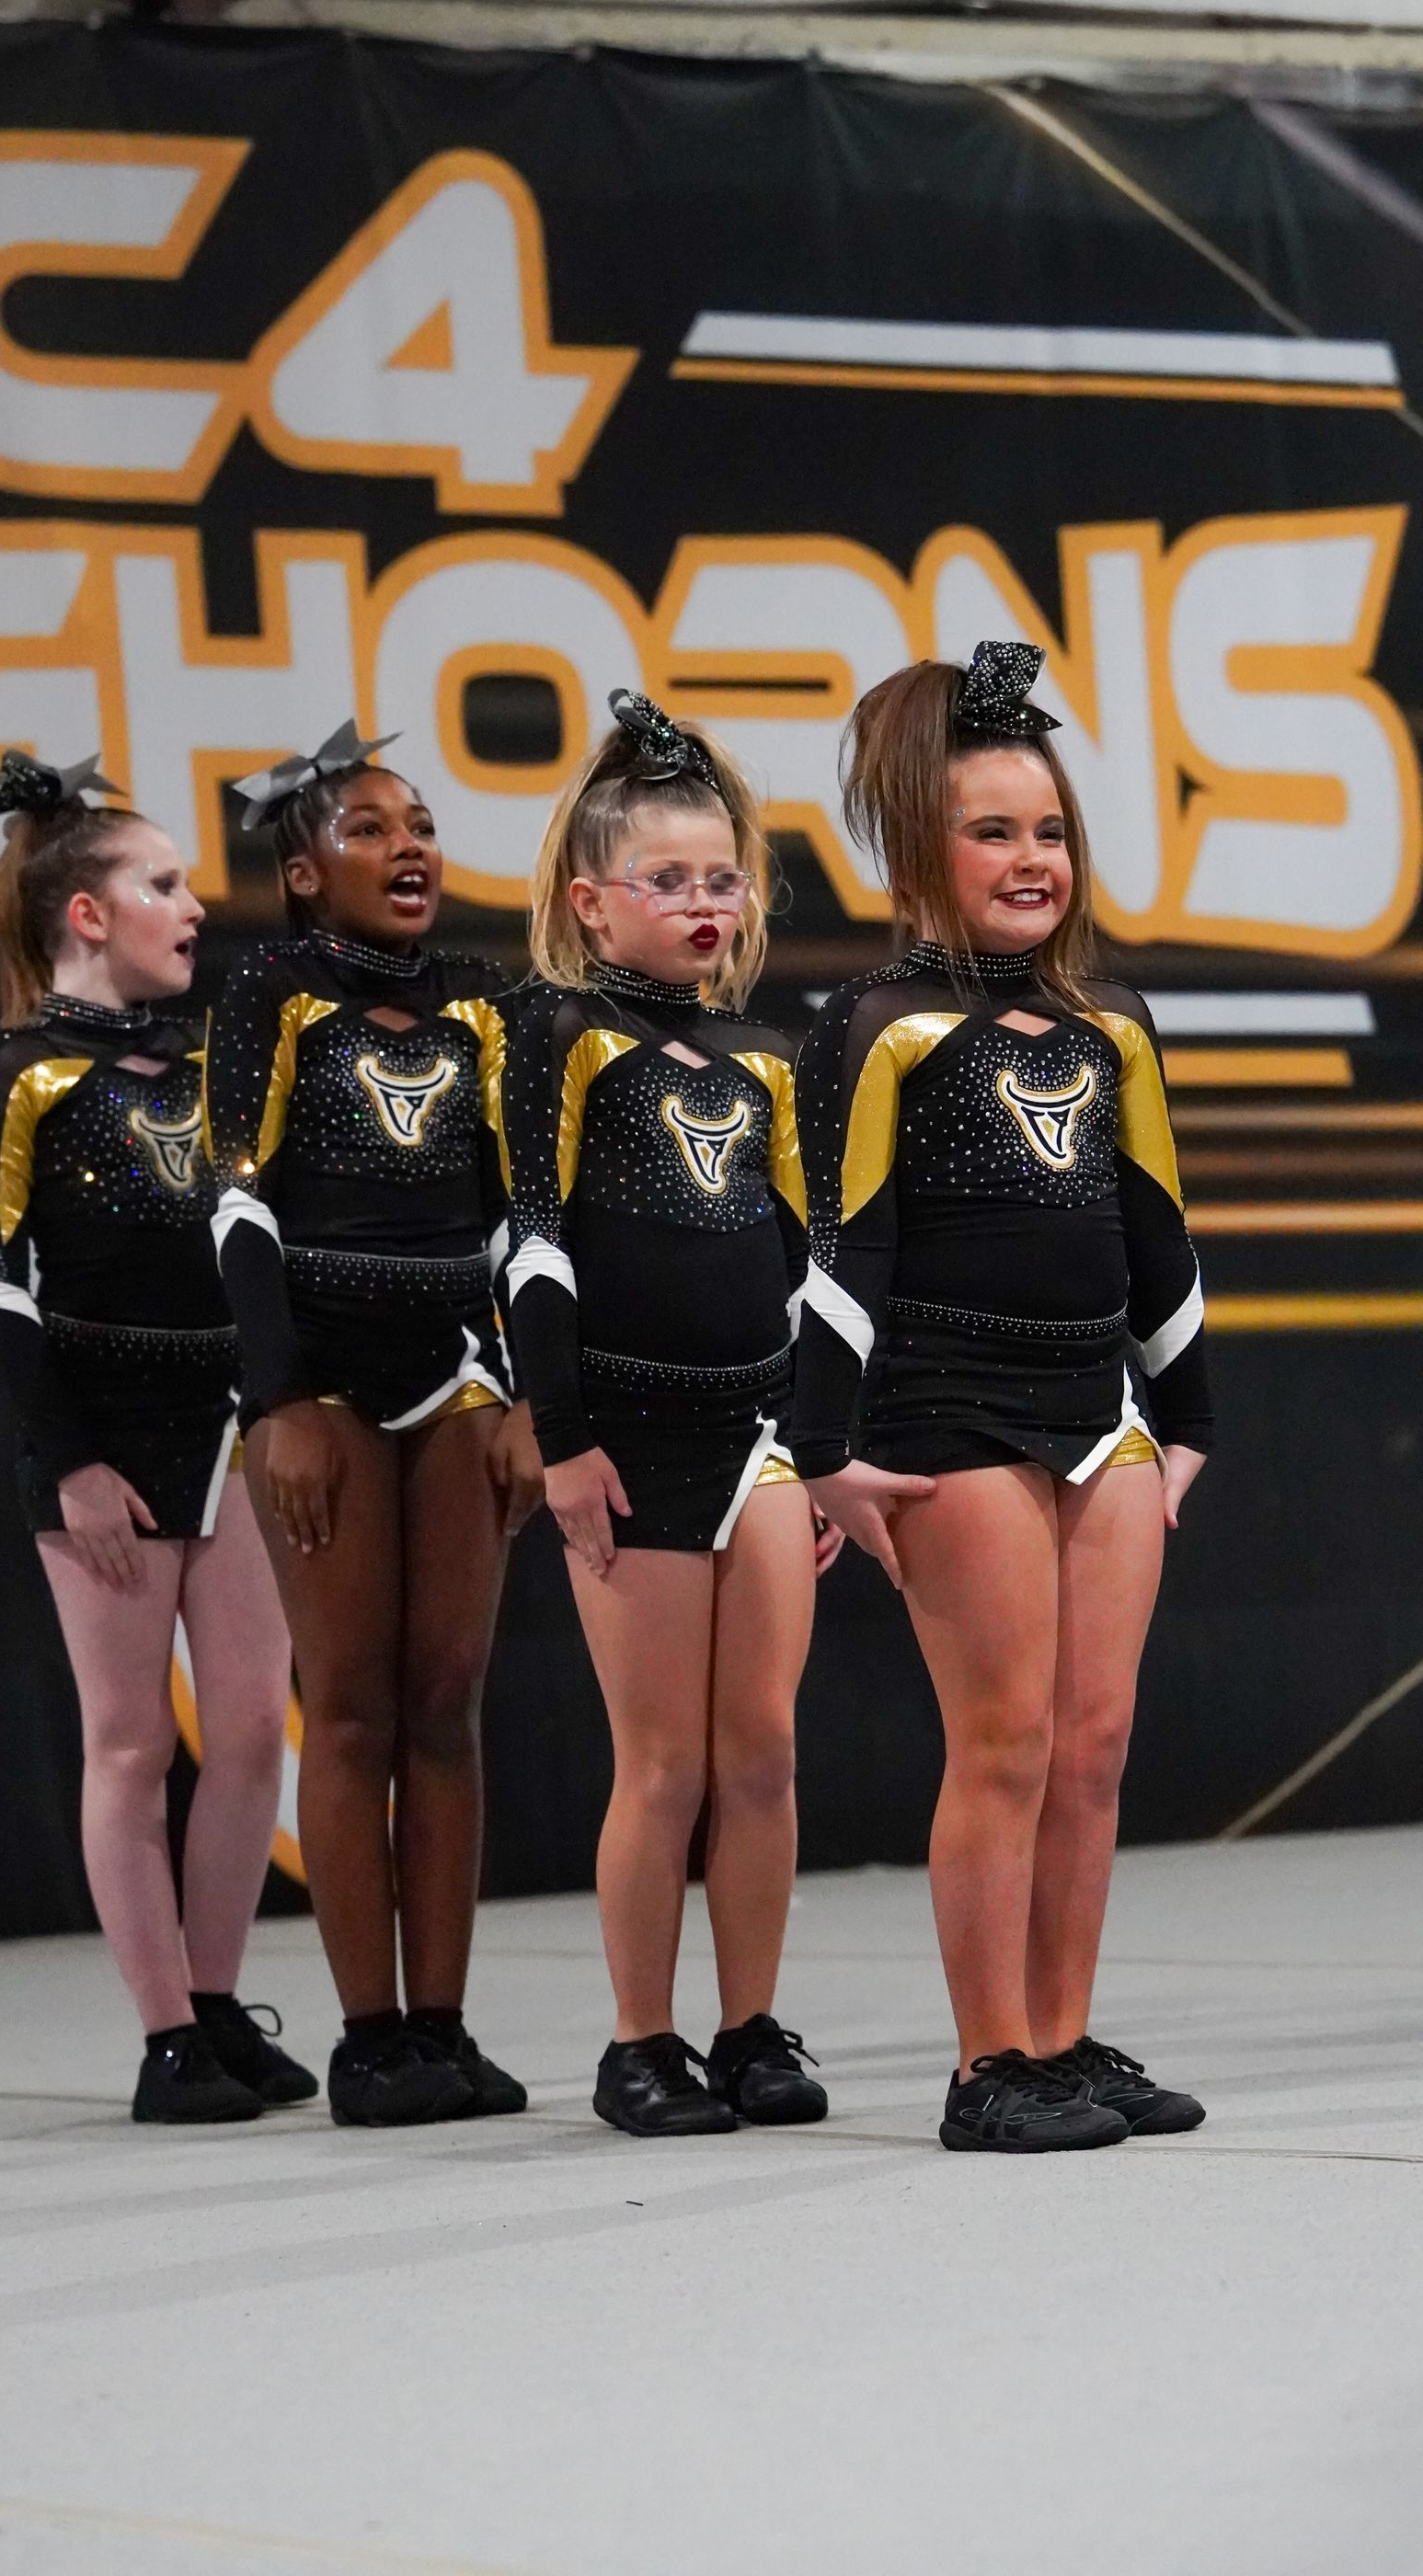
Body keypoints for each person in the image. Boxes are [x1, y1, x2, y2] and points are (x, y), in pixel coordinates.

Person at [791, 643, 1212, 2154]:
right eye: (992, 832)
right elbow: (844, 1253)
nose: (1030, 860)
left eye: (1047, 832)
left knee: (1096, 1741)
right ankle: (987, 2069)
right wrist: (822, 1448)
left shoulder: (1115, 1024)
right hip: (949, 1416)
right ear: (921, 847)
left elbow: (1157, 1228)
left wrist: (1190, 1423)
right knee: (1009, 1745)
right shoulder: (875, 1023)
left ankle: (1063, 2035)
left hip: (1102, 1413)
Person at [0, 750, 314, 2126]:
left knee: (245, 1732)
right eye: (162, 884)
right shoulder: (17, 1070)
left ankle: (217, 2007)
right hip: (98, 1431)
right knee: (128, 1746)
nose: (190, 906)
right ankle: (164, 2037)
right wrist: (71, 1460)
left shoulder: (210, 1058)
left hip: (225, 1423)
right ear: (86, 914)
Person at [503, 690, 839, 2139]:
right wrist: (560, 1434)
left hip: (759, 1430)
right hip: (625, 1439)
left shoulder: (772, 1057)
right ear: (591, 905)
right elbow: (530, 1246)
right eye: (669, 882)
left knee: (760, 1751)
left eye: (723, 880)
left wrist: (825, 1449)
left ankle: (752, 2024)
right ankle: (640, 2039)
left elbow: (814, 1269)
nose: (705, 903)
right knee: (667, 1762)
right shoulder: (556, 1034)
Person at [204, 723, 541, 2129]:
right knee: (346, 1706)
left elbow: (527, 1216)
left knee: (447, 1703)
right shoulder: (268, 1001)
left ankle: (445, 2026)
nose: (410, 848)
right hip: (324, 1388)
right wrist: (277, 1397)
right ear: (299, 870)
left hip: (459, 1374)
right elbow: (234, 1203)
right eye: (369, 831)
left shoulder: (483, 1011)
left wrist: (529, 1390)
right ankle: (366, 2032)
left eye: (422, 826)